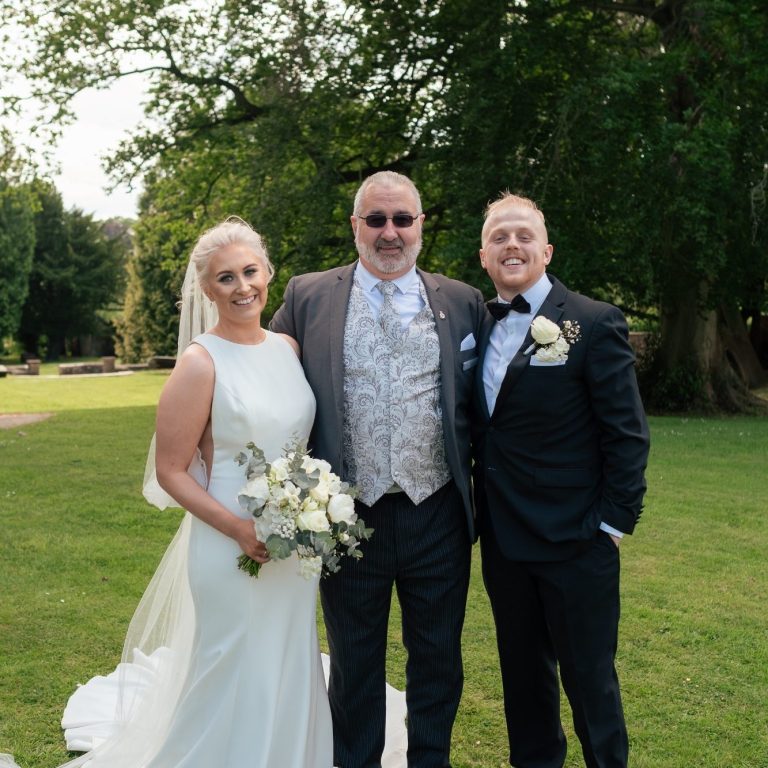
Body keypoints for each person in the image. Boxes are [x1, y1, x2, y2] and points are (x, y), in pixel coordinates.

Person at [56, 218, 333, 767]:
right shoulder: (199, 363)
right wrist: (239, 529)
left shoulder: (288, 347)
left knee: (286, 654)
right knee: (232, 660)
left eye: (250, 272)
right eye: (226, 278)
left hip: (295, 540)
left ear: (268, 273)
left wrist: (311, 509)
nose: (242, 287)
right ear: (206, 290)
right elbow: (171, 470)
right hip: (227, 541)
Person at [270, 171, 486, 768]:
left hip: (437, 512)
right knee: (354, 661)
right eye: (376, 219)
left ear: (420, 225)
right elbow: (263, 373)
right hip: (346, 516)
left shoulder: (462, 301)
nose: (390, 232)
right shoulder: (308, 296)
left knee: (438, 658)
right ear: (355, 226)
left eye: (402, 219)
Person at [472, 193, 650, 768]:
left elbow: (627, 434)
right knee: (523, 683)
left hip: (576, 542)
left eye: (524, 235)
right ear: (484, 256)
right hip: (503, 541)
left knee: (590, 683)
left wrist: (612, 526)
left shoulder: (593, 322)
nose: (512, 245)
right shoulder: (476, 324)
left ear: (546, 251)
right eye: (499, 237)